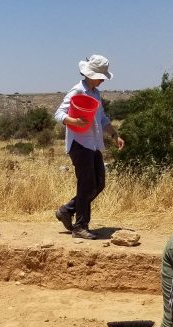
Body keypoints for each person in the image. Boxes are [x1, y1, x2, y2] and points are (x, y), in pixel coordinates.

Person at [54, 54, 124, 240]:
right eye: (100, 76)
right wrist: (74, 121)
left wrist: (114, 134)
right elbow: (58, 114)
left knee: (99, 183)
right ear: (91, 74)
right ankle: (80, 227)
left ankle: (67, 210)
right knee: (86, 185)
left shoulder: (96, 93)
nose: (102, 80)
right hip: (79, 144)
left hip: (93, 144)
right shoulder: (78, 91)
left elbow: (101, 118)